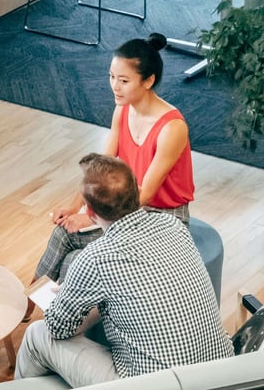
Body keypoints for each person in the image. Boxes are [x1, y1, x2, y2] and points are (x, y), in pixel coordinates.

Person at [15, 154, 232, 387]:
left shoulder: (96, 258)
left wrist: (70, 297)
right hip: (218, 374)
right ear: (138, 191)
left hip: (152, 384)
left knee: (37, 336)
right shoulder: (174, 226)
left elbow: (58, 329)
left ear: (89, 213)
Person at [35, 32, 194, 287]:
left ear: (148, 80)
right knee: (63, 235)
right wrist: (76, 207)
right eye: (111, 77)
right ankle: (27, 301)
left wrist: (93, 215)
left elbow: (146, 195)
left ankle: (55, 316)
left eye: (123, 80)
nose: (114, 86)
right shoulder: (123, 109)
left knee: (76, 260)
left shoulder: (172, 128)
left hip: (163, 217)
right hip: (124, 206)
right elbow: (100, 168)